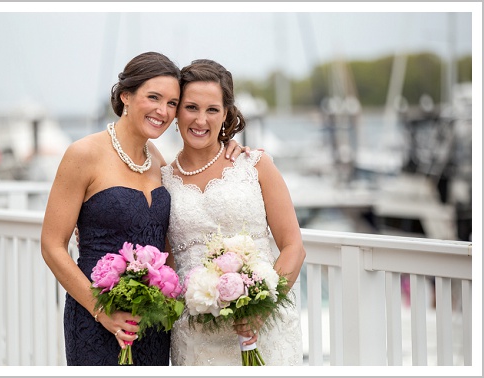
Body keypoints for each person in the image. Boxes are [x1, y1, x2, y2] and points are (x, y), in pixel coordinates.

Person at [40, 52, 247, 365]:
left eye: (172, 103)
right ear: (126, 95)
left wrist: (232, 147)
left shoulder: (158, 160)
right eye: (153, 97)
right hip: (98, 319)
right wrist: (102, 310)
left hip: (153, 322)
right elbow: (52, 246)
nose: (162, 111)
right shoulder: (83, 153)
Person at [162, 59, 306, 365]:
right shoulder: (162, 181)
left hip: (263, 330)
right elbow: (165, 260)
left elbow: (294, 246)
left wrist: (262, 308)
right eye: (191, 107)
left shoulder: (255, 165)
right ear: (176, 112)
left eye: (212, 109)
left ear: (226, 113)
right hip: (196, 338)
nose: (201, 120)